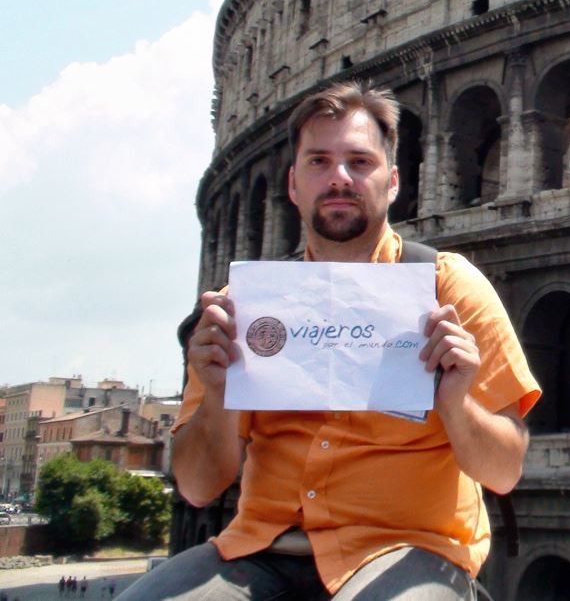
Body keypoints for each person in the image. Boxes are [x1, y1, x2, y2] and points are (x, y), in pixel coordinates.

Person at [123, 81, 540, 600]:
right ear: (294, 186)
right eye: (319, 162)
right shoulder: (246, 305)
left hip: (410, 551)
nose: (339, 178)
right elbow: (197, 486)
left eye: (359, 162)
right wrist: (217, 394)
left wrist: (457, 406)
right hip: (259, 551)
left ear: (391, 182)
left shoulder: (447, 286)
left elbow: (504, 472)